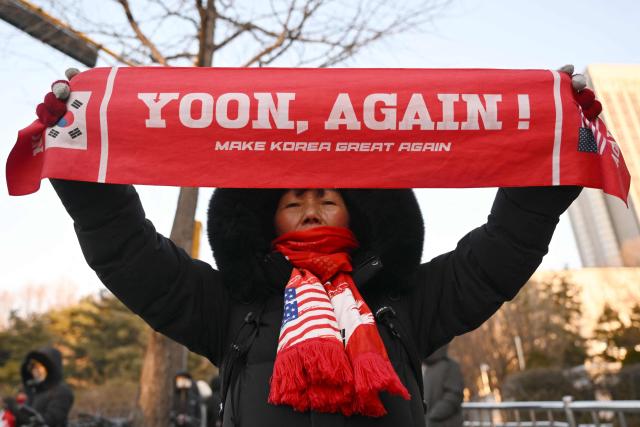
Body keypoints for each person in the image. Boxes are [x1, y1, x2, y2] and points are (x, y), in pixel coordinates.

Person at [33, 67, 594, 427]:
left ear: (358, 211)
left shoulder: (404, 300)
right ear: (267, 218)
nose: (310, 207)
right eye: (293, 199)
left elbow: (498, 254)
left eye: (327, 198)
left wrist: (557, 146)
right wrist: (79, 159)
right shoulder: (231, 305)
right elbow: (130, 253)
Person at [18, 347, 74, 427]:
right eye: (34, 367)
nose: (36, 370)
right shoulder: (34, 389)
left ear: (52, 368)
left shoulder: (62, 391)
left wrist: (33, 419)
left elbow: (52, 419)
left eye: (41, 366)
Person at [422, 345, 463, 427]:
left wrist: (432, 416)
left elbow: (454, 396)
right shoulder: (421, 367)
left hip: (445, 423)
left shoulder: (450, 365)